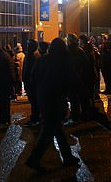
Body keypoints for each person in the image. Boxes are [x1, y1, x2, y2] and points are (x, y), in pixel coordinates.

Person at [25, 38, 80, 171]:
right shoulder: (64, 61)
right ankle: (34, 159)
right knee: (50, 129)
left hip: (44, 97)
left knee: (56, 128)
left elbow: (33, 77)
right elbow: (73, 79)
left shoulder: (42, 59)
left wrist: (39, 91)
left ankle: (67, 157)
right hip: (56, 98)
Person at [22, 39, 41, 126]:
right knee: (33, 101)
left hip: (31, 82)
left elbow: (32, 70)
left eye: (29, 44)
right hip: (29, 82)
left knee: (34, 101)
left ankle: (35, 118)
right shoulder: (30, 55)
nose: (27, 46)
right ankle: (35, 117)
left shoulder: (33, 56)